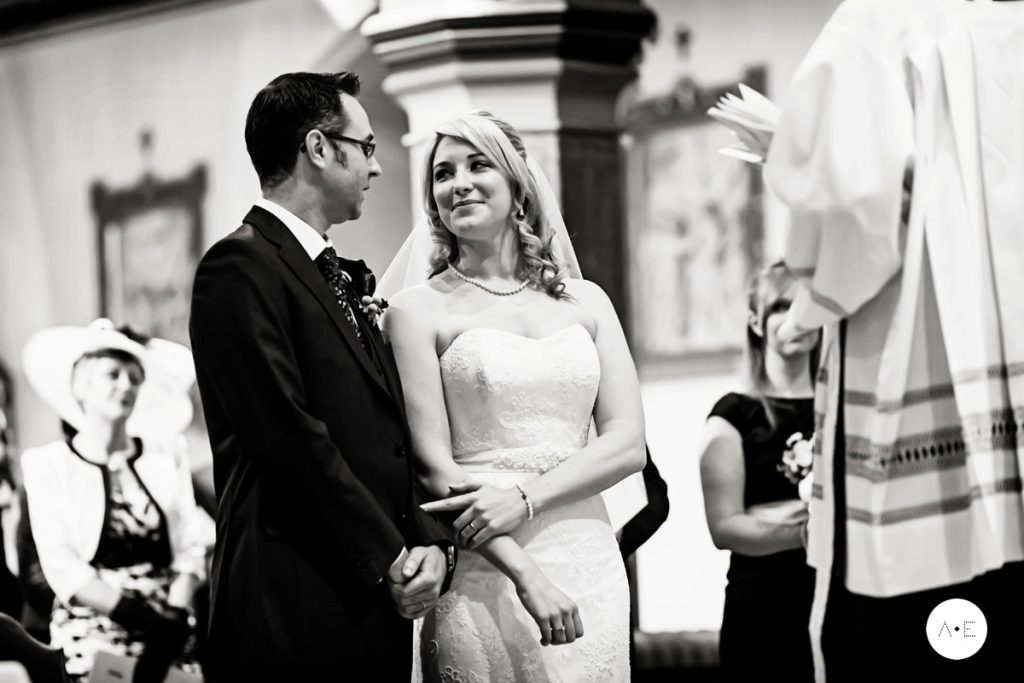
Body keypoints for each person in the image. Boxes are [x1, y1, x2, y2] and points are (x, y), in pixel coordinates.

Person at [764, 0, 1024, 678]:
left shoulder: (878, 22)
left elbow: (857, 205)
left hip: (916, 381)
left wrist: (806, 308)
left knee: (922, 629)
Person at [188, 71, 456, 682]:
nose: (377, 167)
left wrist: (431, 544)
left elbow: (391, 431)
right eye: (366, 147)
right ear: (317, 147)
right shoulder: (241, 265)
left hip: (366, 594)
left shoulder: (335, 273)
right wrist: (391, 554)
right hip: (290, 596)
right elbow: (288, 437)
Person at [382, 111, 646, 680]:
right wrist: (525, 573)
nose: (459, 183)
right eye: (443, 173)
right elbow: (432, 470)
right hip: (486, 563)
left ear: (517, 183)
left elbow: (627, 445)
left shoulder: (587, 302)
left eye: (478, 165)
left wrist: (524, 498)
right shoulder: (414, 311)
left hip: (588, 554)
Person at [19, 319, 209, 682]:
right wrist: (141, 618)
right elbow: (62, 567)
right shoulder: (48, 465)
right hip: (94, 631)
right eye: (113, 374)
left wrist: (169, 620)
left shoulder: (166, 454)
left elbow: (191, 546)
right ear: (81, 384)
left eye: (135, 378)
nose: (127, 385)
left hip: (170, 626)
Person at [698, 262, 819, 682]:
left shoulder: (843, 409)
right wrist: (807, 532)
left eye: (808, 305)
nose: (799, 318)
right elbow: (725, 527)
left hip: (835, 594)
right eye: (782, 306)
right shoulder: (734, 415)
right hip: (765, 602)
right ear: (756, 321)